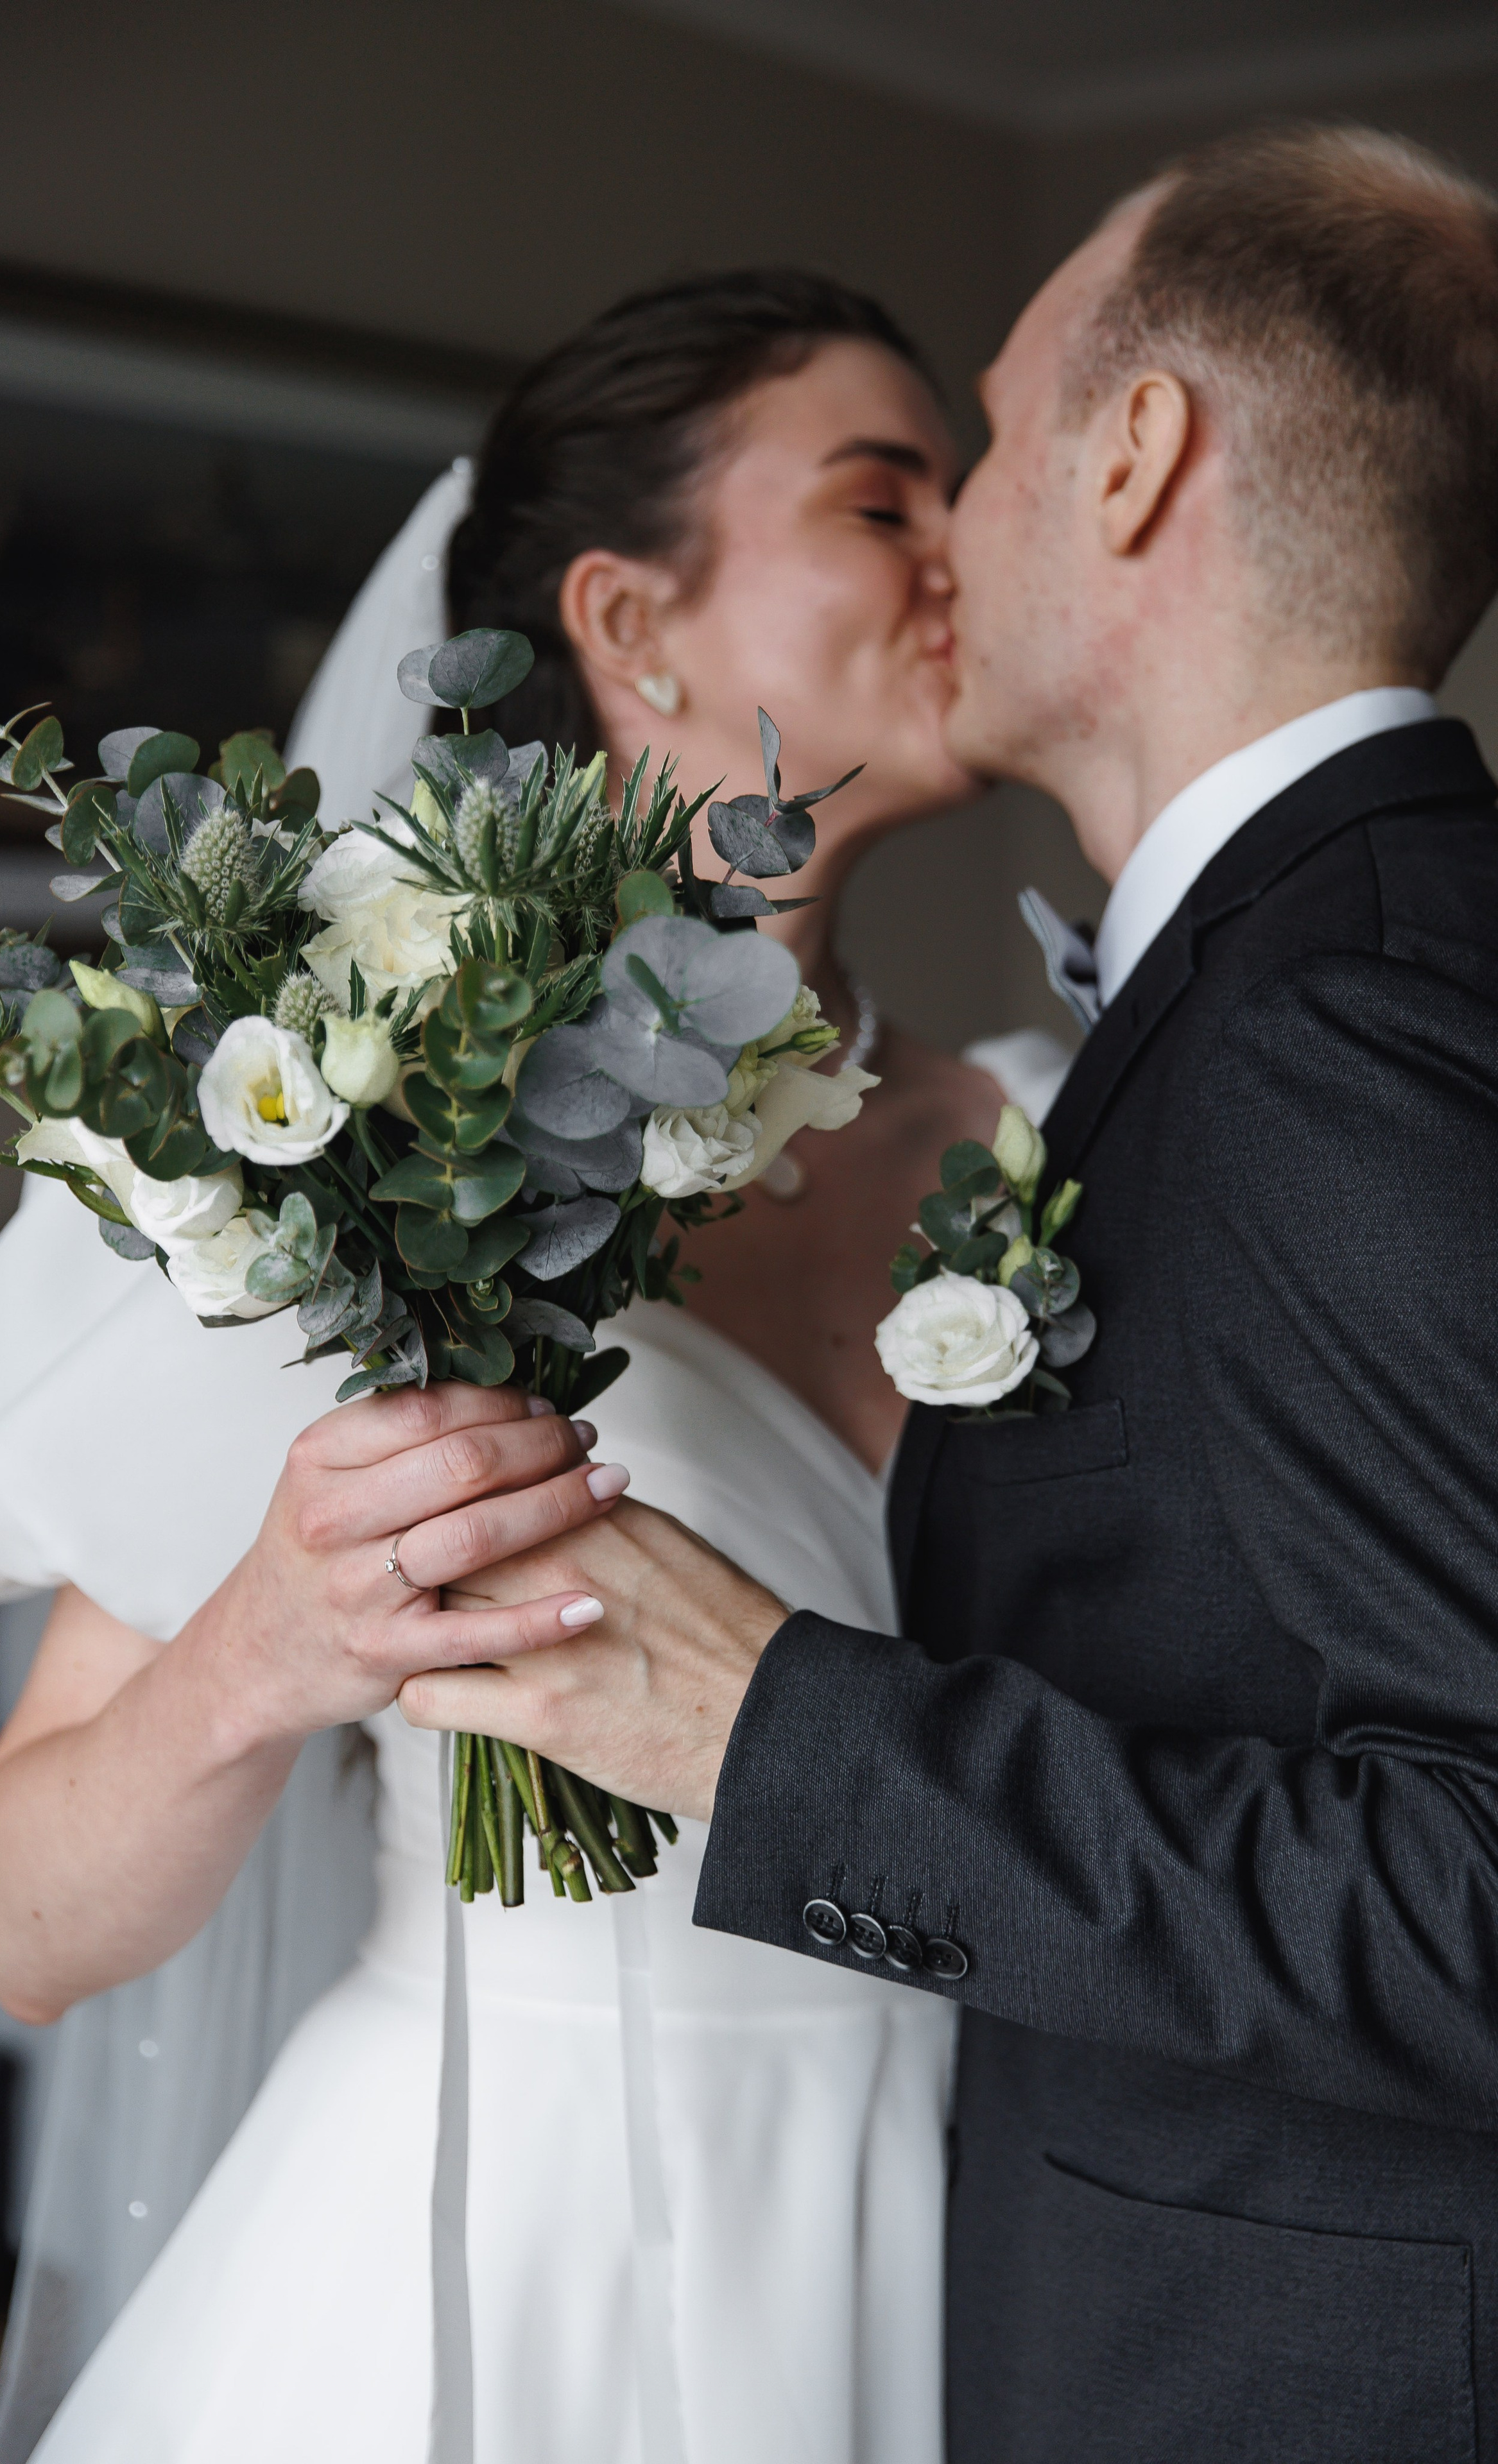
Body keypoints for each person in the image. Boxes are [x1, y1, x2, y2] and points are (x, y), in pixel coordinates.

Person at [0, 271, 1065, 2463]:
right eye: (886, 497)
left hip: (980, 2244)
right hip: (504, 2258)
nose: (966, 554)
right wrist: (268, 1648)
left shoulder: (1044, 1126)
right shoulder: (356, 1118)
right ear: (634, 618)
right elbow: (21, 1926)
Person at [390, 128, 1498, 2462]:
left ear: (1131, 457)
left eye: (979, 444)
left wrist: (765, 1723)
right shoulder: (1295, 982)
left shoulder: (1325, 1029)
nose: (946, 543)